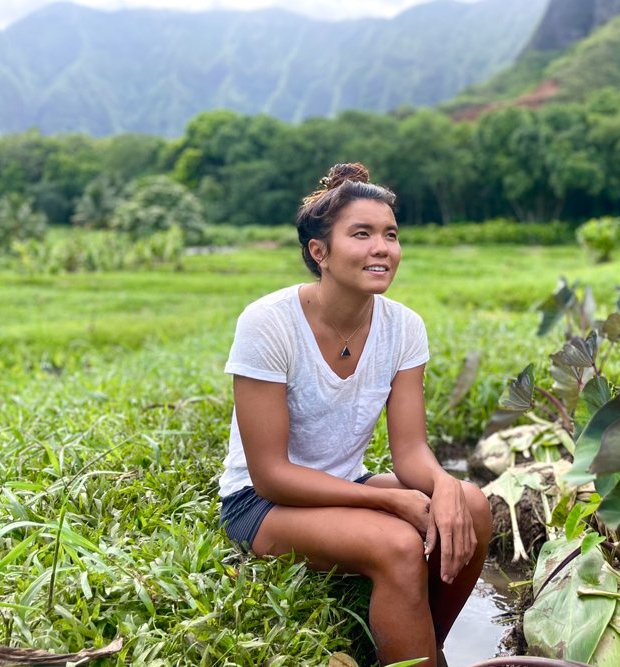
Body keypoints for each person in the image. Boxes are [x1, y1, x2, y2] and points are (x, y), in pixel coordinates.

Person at [217, 163, 493, 667]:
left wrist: (444, 484)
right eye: (361, 234)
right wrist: (390, 504)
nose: (381, 248)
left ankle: (429, 644)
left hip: (348, 483)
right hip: (262, 505)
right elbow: (270, 475)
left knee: (472, 505)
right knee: (397, 545)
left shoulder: (404, 327)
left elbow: (409, 451)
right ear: (319, 252)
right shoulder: (268, 324)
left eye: (390, 234)